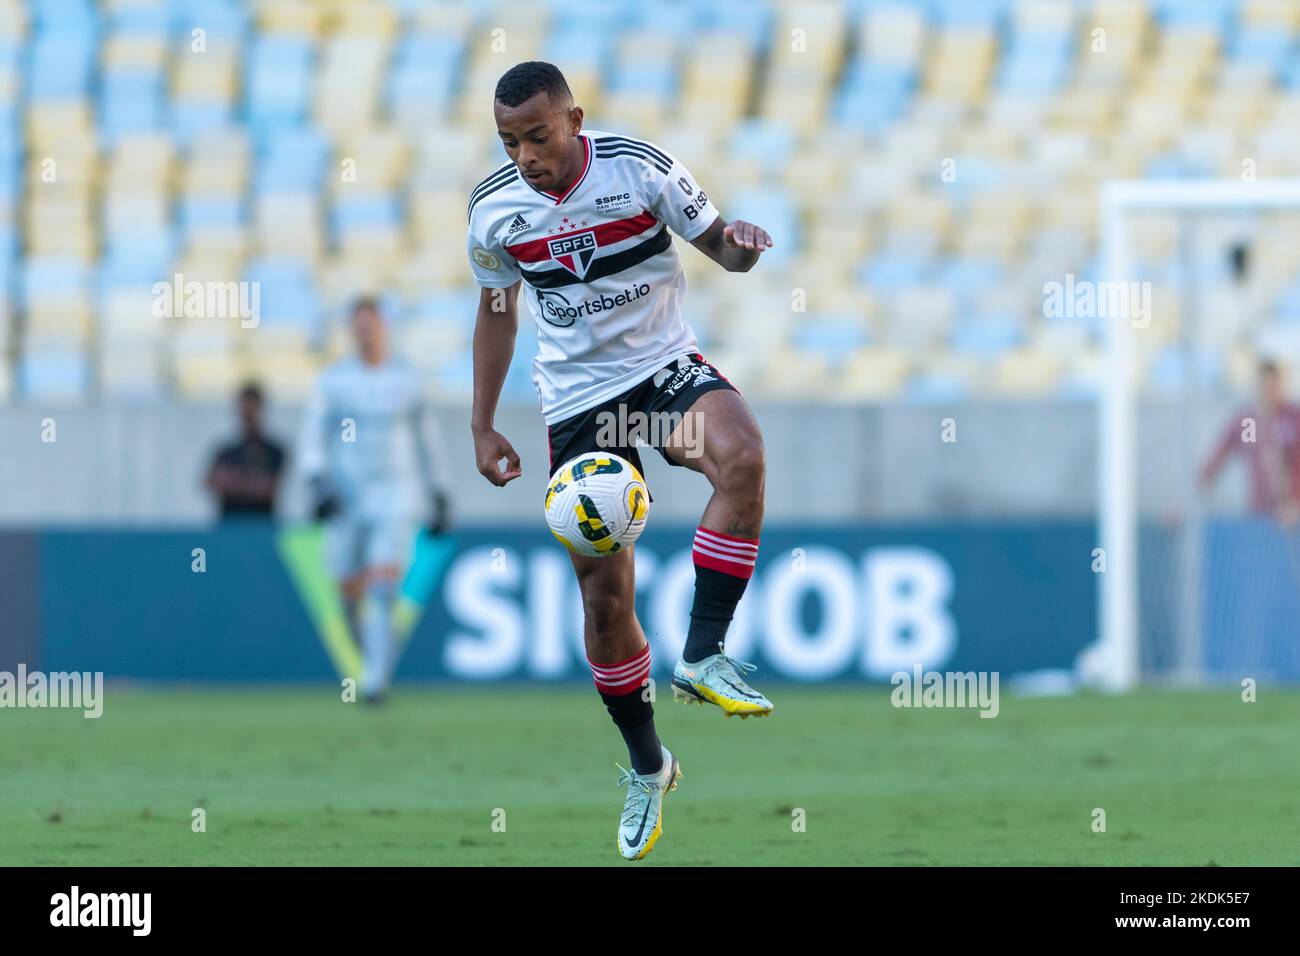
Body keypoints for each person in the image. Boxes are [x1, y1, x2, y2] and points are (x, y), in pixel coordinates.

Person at [466, 61, 773, 860]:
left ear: (574, 117)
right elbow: (497, 314)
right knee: (605, 602)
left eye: (538, 135)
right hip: (576, 404)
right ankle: (649, 766)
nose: (526, 155)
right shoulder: (494, 210)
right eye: (509, 141)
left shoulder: (639, 166)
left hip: (662, 370)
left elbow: (721, 249)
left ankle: (702, 654)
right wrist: (483, 423)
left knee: (740, 456)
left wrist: (740, 244)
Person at [299, 297, 451, 704]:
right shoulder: (333, 381)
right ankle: (373, 659)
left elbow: (428, 440)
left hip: (396, 494)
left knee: (383, 588)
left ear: (384, 327)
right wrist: (316, 481)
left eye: (372, 323)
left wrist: (440, 491)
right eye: (359, 325)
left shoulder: (407, 379)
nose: (366, 332)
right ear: (352, 331)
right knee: (348, 594)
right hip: (347, 497)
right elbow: (314, 435)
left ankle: (374, 681)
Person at [1200, 358, 1300, 521]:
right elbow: (1217, 457)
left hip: (1293, 514)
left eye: (1273, 385)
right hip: (1259, 512)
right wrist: (1190, 496)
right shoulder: (1248, 422)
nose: (1269, 391)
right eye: (1264, 386)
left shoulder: (1294, 418)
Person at [204, 382, 286, 520]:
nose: (247, 413)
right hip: (229, 527)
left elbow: (267, 489)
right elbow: (210, 481)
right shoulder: (225, 450)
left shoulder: (274, 451)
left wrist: (231, 482)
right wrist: (251, 482)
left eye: (251, 408)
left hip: (260, 528)